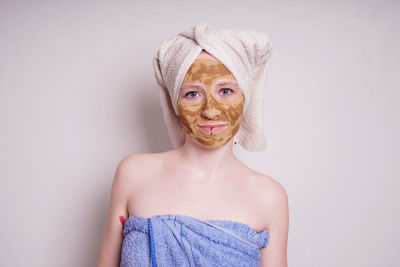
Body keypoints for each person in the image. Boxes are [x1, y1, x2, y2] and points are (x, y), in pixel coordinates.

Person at [97, 23, 288, 267]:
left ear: (245, 99)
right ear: (175, 104)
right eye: (192, 94)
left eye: (226, 90)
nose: (210, 111)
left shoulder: (269, 196)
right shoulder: (134, 173)